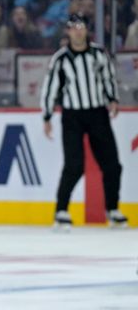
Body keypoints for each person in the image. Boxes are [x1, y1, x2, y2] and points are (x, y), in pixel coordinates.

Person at [40, 13, 127, 229]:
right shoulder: (60, 59)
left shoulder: (98, 54)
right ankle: (61, 210)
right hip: (72, 116)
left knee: (112, 164)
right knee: (74, 165)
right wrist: (47, 115)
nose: (78, 31)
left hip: (97, 112)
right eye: (74, 27)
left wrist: (113, 99)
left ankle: (113, 209)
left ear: (87, 30)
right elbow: (50, 88)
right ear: (68, 31)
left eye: (81, 27)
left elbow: (108, 78)